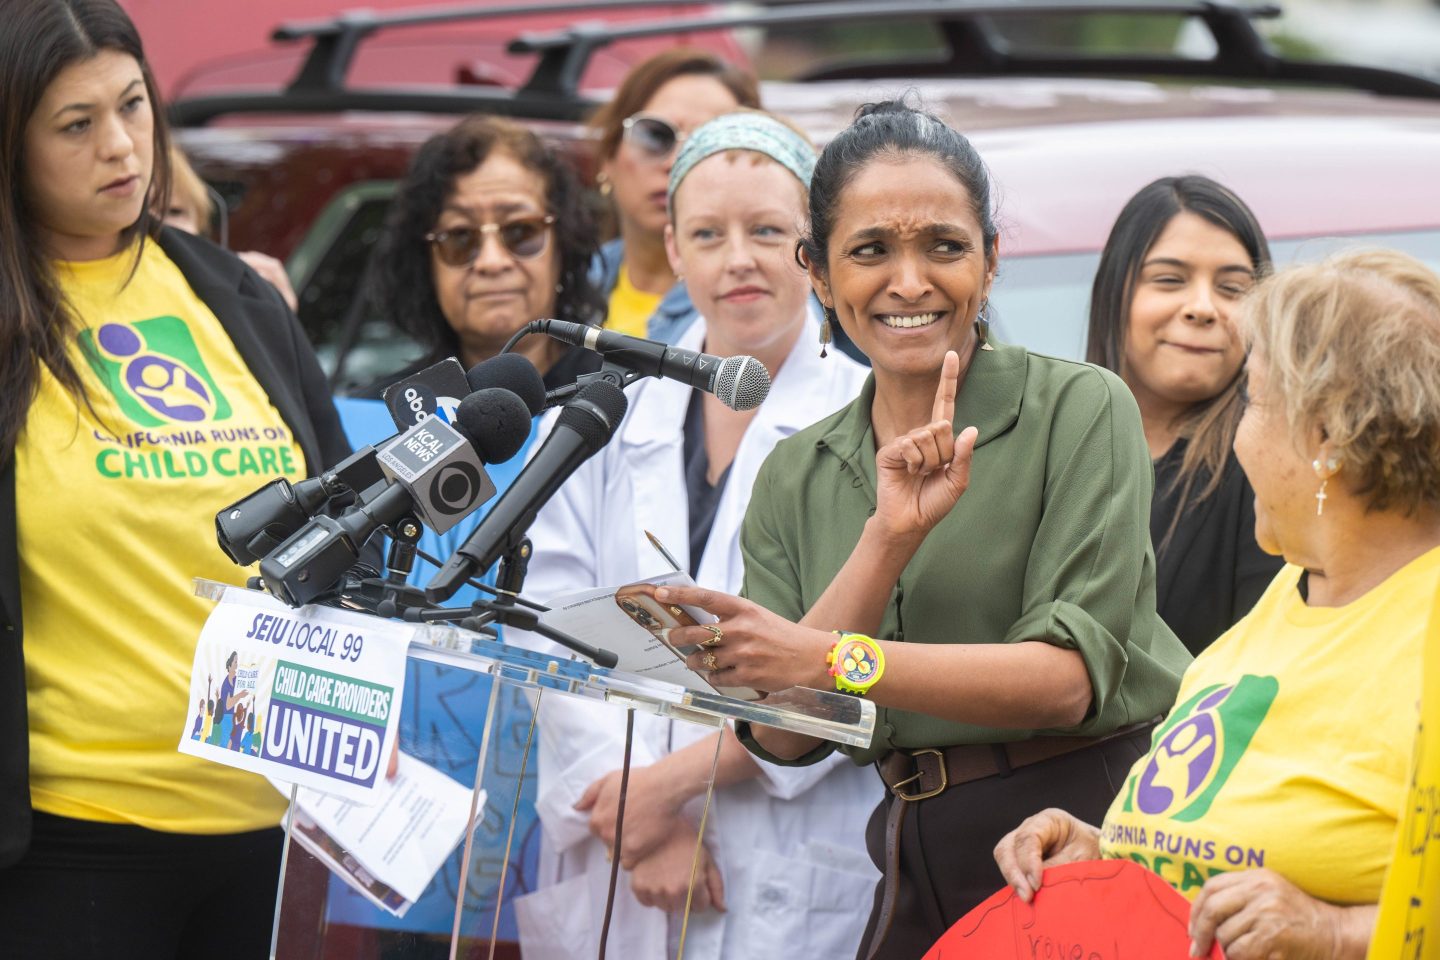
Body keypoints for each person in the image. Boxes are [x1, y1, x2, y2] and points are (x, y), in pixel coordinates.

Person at [647, 100, 1193, 959]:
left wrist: (830, 658)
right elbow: (785, 733)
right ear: (818, 273)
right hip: (912, 843)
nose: (909, 282)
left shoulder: (1080, 407)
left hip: (1083, 828)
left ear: (991, 260)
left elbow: (1064, 684)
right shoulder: (795, 471)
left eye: (944, 246)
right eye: (870, 251)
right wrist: (886, 540)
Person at [0, 1, 352, 956]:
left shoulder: (236, 293)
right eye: (75, 125)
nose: (121, 146)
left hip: (268, 825)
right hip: (71, 842)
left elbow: (340, 525)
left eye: (132, 105)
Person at [994, 248, 1440, 960]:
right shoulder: (1295, 588)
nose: (1236, 437)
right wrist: (1112, 856)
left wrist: (1335, 933)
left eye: (1253, 403)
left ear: (1327, 437)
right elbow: (1233, 835)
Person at [512, 111, 878, 959]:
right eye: (708, 234)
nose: (738, 258)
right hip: (618, 842)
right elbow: (543, 620)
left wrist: (670, 789)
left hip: (783, 851)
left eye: (769, 231)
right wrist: (632, 811)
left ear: (815, 249)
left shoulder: (868, 426)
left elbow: (852, 660)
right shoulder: (601, 416)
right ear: (673, 250)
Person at [1086, 176, 1283, 654]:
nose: (1202, 308)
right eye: (1169, 280)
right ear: (1114, 292)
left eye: (1233, 288)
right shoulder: (1049, 444)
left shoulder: (1272, 462)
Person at [368, 114, 606, 396]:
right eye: (460, 237)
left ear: (563, 246)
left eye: (520, 231)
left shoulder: (630, 398)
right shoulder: (381, 415)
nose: (492, 262)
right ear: (425, 264)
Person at [587, 49, 760, 342]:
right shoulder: (560, 283)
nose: (676, 162)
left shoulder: (768, 308)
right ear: (609, 156)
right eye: (654, 135)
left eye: (707, 144)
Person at [161, 141, 300, 313]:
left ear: (201, 227)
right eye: (143, 216)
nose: (159, 227)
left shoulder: (238, 287)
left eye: (174, 212)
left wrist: (276, 317)